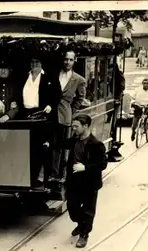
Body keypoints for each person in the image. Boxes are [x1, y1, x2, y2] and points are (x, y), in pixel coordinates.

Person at [14, 55, 62, 187]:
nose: (34, 64)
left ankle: (43, 179)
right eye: (32, 61)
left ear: (42, 64)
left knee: (43, 148)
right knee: (28, 148)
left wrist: (50, 106)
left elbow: (57, 94)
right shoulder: (24, 77)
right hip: (26, 116)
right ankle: (29, 178)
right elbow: (18, 93)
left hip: (43, 116)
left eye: (37, 62)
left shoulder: (49, 78)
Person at [65, 114, 108, 248]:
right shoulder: (74, 140)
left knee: (88, 210)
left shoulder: (96, 145)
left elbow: (102, 164)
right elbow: (63, 144)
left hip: (89, 183)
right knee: (72, 207)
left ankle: (84, 234)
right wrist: (48, 144)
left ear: (85, 126)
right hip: (74, 181)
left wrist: (85, 167)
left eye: (76, 127)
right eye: (73, 126)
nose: (74, 129)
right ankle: (80, 224)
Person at [49, 50, 86, 182]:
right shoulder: (54, 74)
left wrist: (71, 110)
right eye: (66, 59)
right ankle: (51, 173)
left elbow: (81, 98)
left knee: (61, 145)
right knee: (51, 144)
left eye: (70, 60)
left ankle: (59, 174)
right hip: (50, 113)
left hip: (65, 116)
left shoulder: (79, 79)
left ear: (74, 61)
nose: (68, 62)